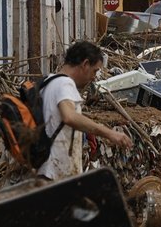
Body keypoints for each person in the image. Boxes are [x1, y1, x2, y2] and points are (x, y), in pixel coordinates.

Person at [38, 41, 133, 181]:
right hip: (56, 175)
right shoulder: (65, 84)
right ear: (85, 64)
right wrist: (109, 133)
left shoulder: (49, 81)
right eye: (95, 70)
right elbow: (69, 117)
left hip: (48, 169)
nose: (94, 77)